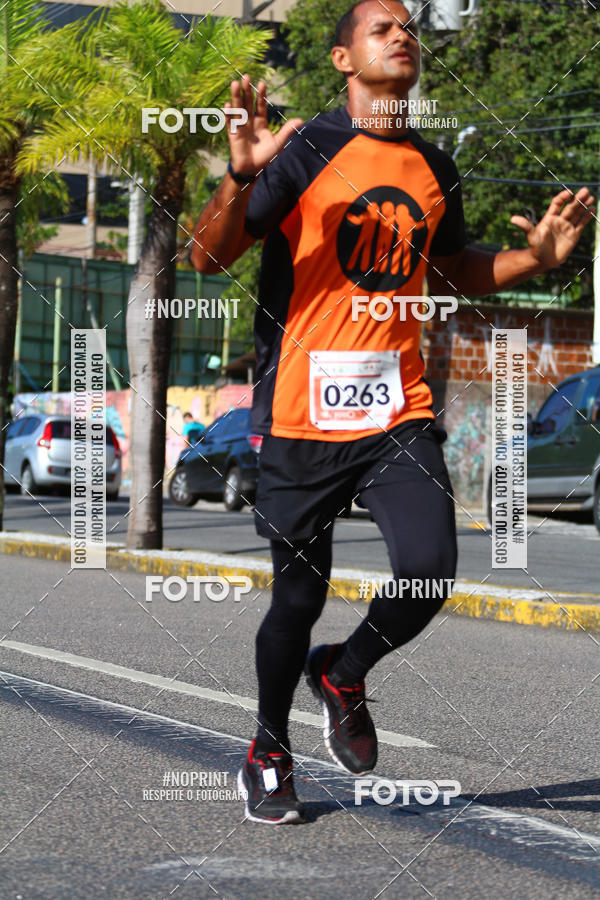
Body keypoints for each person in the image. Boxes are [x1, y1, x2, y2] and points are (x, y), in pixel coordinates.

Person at [191, 0, 594, 825]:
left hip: (396, 412)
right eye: (382, 26)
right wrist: (238, 176)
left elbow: (452, 270)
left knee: (429, 566)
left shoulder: (434, 165)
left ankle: (343, 671)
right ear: (344, 58)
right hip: (300, 414)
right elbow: (207, 255)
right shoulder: (303, 149)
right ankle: (269, 747)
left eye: (410, 24)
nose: (402, 32)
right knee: (297, 602)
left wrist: (535, 258)